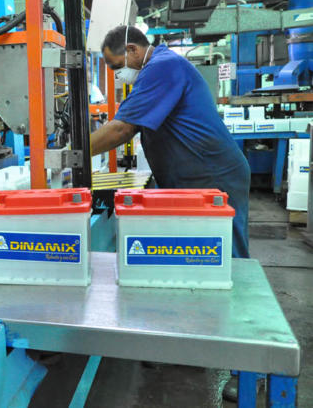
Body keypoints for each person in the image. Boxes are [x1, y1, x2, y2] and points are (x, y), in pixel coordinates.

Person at [90, 25, 251, 258]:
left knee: (224, 255)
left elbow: (122, 129)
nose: (117, 74)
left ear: (132, 49)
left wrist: (73, 153)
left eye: (117, 66)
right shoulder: (159, 66)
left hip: (213, 176)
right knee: (204, 256)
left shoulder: (162, 67)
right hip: (198, 175)